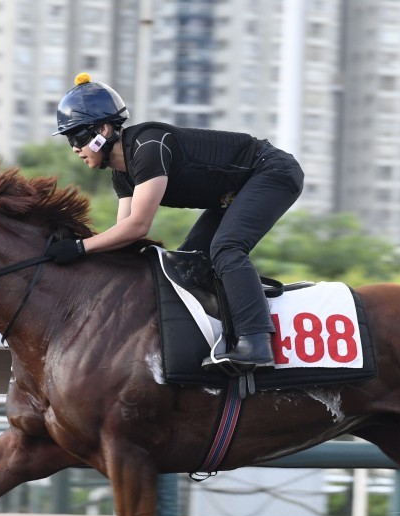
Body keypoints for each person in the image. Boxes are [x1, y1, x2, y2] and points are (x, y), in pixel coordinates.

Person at [50, 73, 304, 371]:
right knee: (189, 263)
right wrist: (80, 260)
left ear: (104, 129)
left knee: (226, 248)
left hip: (271, 171)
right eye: (70, 139)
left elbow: (138, 226)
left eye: (77, 136)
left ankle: (257, 342)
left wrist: (79, 248)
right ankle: (226, 335)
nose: (74, 148)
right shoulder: (122, 175)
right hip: (236, 191)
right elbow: (124, 236)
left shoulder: (148, 147)